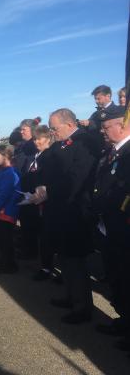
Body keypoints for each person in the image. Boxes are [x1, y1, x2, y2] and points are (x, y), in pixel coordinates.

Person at [38, 108, 97, 324]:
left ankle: (82, 308)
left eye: (55, 128)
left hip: (75, 210)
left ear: (70, 125)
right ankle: (71, 296)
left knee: (75, 259)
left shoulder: (85, 142)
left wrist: (49, 191)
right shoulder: (62, 143)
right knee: (64, 256)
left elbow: (77, 177)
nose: (52, 132)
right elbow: (51, 168)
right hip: (60, 208)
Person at [92, 104, 130, 345]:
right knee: (116, 276)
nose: (103, 132)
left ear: (123, 125)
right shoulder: (111, 152)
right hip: (109, 227)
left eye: (106, 127)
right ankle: (124, 320)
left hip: (123, 226)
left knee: (127, 278)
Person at [25, 125, 57, 281]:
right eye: (34, 139)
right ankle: (42, 262)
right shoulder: (37, 155)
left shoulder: (50, 155)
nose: (36, 142)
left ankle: (47, 268)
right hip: (33, 198)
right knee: (39, 233)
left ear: (48, 138)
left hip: (46, 201)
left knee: (47, 236)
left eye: (38, 139)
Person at [0, 145, 21, 273]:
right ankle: (6, 261)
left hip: (6, 211)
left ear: (6, 156)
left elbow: (4, 194)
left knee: (3, 238)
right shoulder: (2, 171)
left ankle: (8, 264)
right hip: (1, 209)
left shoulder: (10, 172)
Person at [16, 118, 42, 260]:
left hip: (31, 188)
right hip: (22, 185)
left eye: (23, 129)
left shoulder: (34, 146)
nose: (21, 132)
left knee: (31, 223)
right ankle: (26, 246)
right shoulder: (24, 145)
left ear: (32, 131)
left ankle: (30, 251)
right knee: (25, 222)